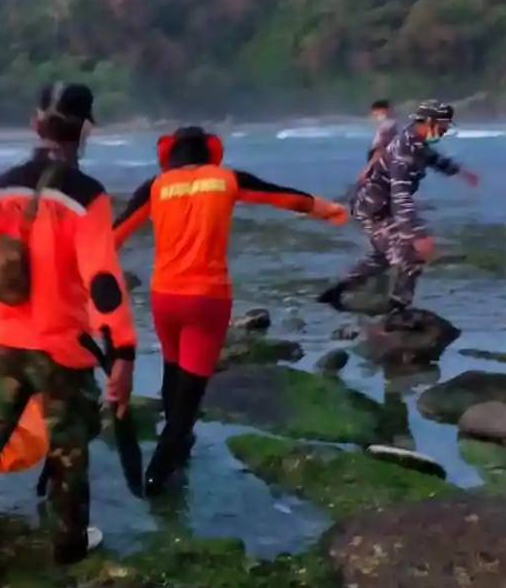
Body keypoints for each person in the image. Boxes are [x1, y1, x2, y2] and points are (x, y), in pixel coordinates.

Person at [0, 82, 137, 566]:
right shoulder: (87, 196)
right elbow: (103, 281)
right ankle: (68, 545)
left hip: (1, 341)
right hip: (64, 349)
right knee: (68, 452)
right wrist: (122, 350)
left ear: (34, 123)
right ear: (86, 130)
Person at [113, 126, 348, 494]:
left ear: (170, 156)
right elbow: (283, 197)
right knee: (190, 397)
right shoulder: (227, 179)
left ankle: (177, 445)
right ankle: (157, 477)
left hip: (164, 298)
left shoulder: (155, 187)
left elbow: (114, 235)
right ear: (210, 153)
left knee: (172, 369)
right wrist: (329, 210)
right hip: (208, 299)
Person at [318, 100, 479, 330]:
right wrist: (417, 233)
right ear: (428, 122)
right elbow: (400, 195)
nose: (445, 130)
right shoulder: (404, 154)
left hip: (375, 206)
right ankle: (398, 312)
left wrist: (460, 172)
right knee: (411, 257)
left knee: (381, 258)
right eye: (443, 125)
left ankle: (334, 293)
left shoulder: (414, 140)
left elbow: (431, 157)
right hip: (376, 210)